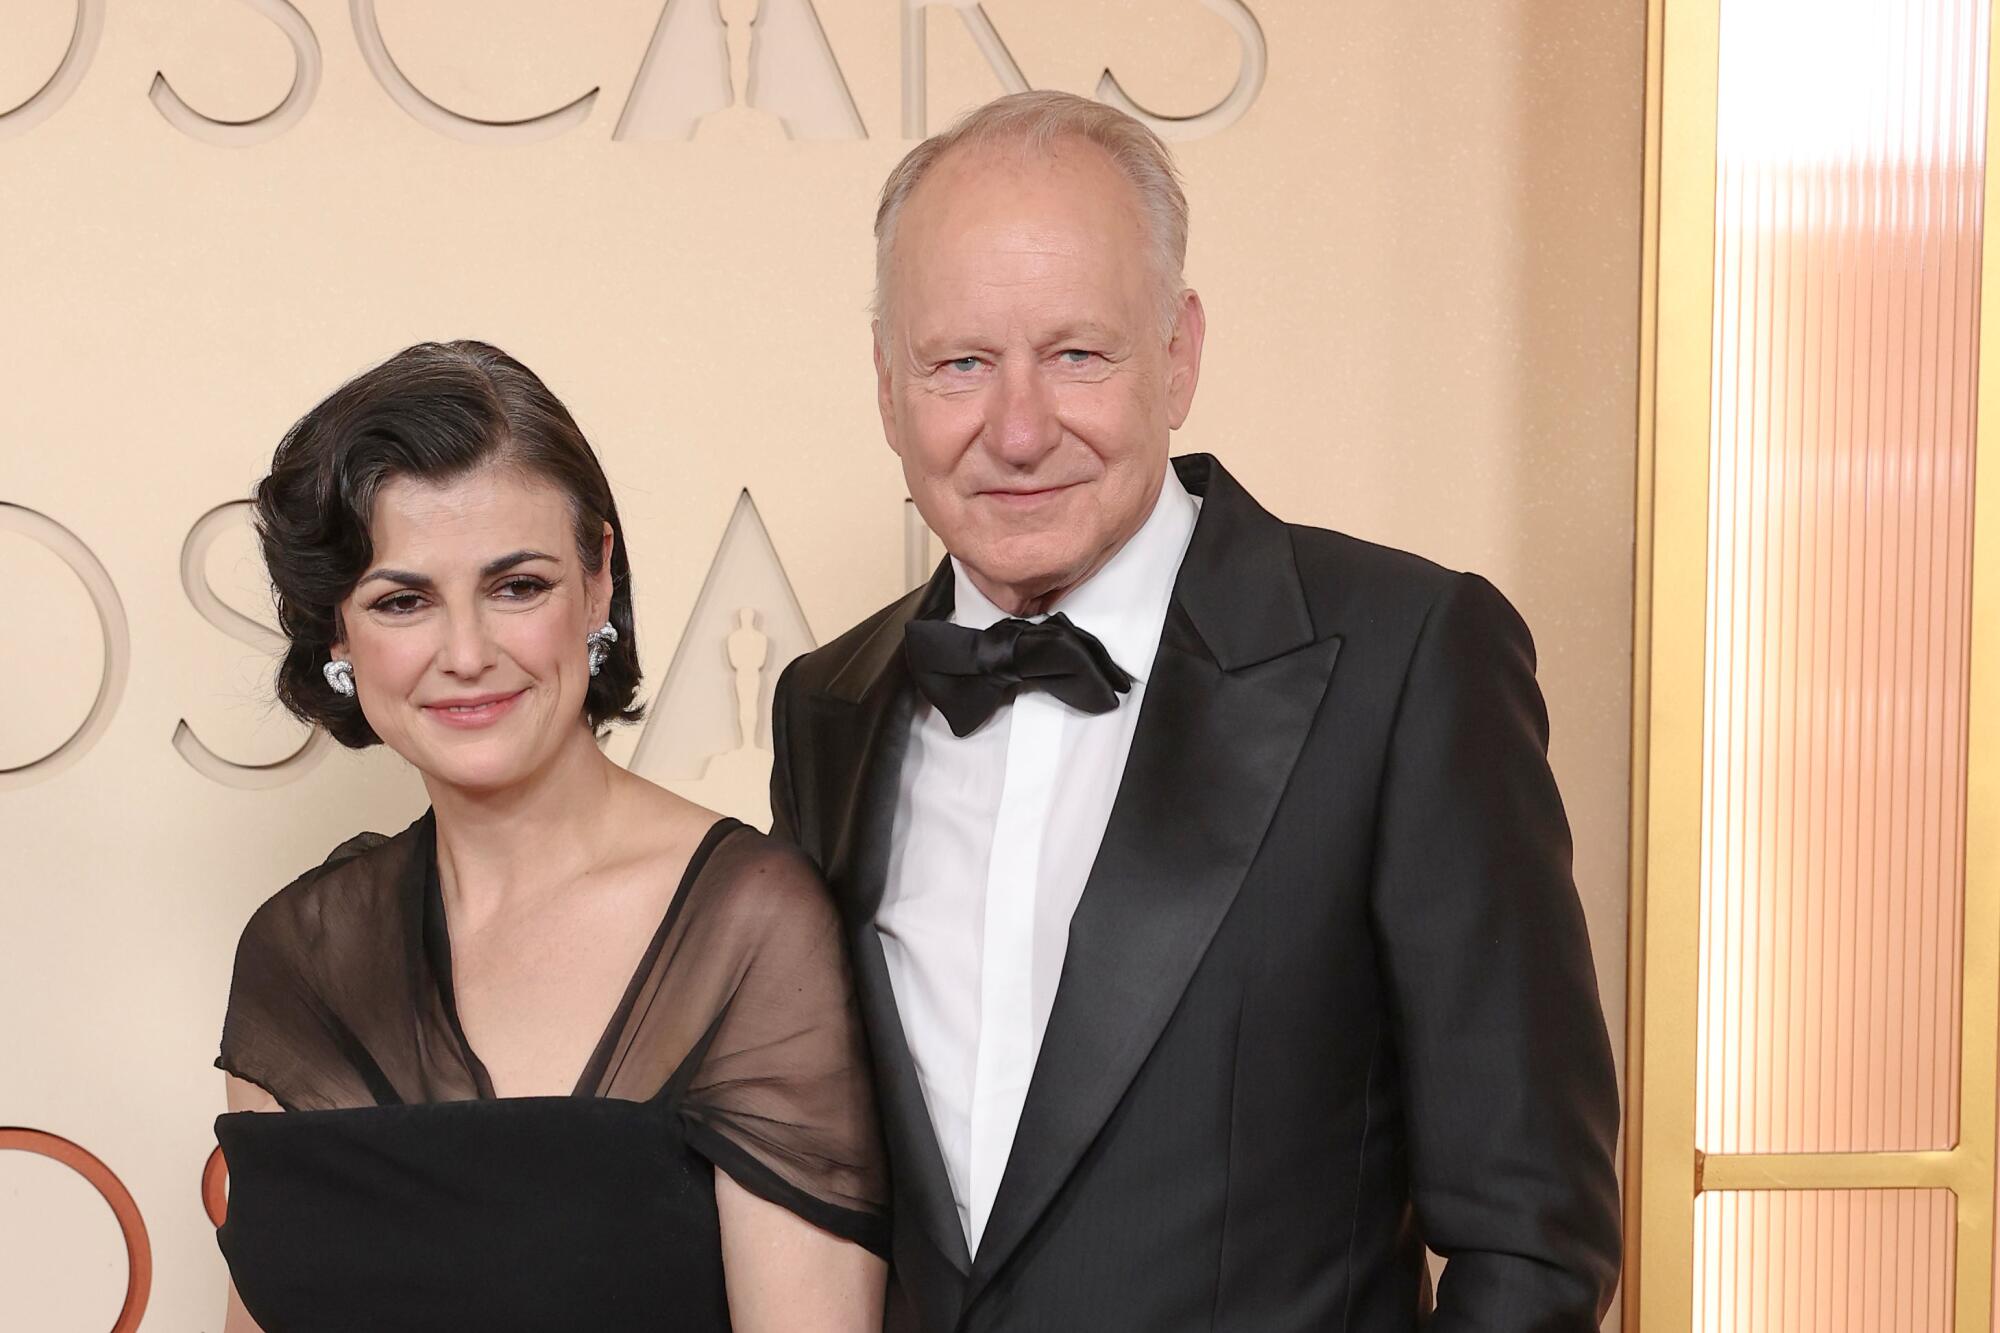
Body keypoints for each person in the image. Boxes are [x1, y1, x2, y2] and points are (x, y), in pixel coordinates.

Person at [768, 91, 1623, 1331]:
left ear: (1177, 352)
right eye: (958, 362)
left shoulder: (1405, 656)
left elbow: (1532, 1239)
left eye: (1077, 354)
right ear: (888, 387)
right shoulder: (827, 708)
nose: (1016, 429)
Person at [212, 341, 887, 1333]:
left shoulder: (748, 923)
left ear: (597, 580)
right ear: (336, 636)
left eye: (516, 585)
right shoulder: (300, 954)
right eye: (402, 601)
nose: (468, 653)